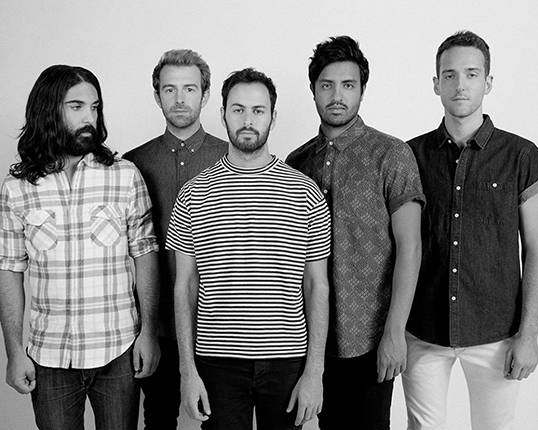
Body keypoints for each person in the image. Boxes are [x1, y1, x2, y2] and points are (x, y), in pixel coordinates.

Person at [166, 67, 331, 430]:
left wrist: (314, 372)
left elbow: (317, 285)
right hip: (216, 363)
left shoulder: (305, 192)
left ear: (273, 116)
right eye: (238, 109)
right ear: (223, 113)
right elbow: (185, 286)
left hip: (287, 361)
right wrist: (187, 371)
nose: (248, 120)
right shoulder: (193, 193)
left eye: (258, 110)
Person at [0, 65, 160, 430]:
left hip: (118, 350)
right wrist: (14, 351)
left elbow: (146, 256)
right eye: (77, 107)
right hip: (49, 356)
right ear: (48, 110)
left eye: (95, 107)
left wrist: (149, 334)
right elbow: (9, 269)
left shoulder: (125, 176)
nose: (90, 117)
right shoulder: (16, 188)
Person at [402, 30, 538, 430]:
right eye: (450, 75)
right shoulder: (409, 156)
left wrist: (529, 335)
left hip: (497, 331)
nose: (460, 85)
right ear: (436, 84)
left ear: (488, 82)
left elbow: (536, 248)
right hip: (423, 330)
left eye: (471, 74)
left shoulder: (521, 156)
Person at [286, 35, 425, 429]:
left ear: (362, 89)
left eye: (348, 85)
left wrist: (395, 332)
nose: (337, 96)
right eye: (327, 85)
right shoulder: (297, 163)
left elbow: (410, 248)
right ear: (313, 89)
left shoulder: (391, 154)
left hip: (370, 337)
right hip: (305, 339)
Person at [123, 49, 227, 429]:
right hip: (156, 328)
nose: (180, 99)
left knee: (222, 422)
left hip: (221, 329)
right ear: (157, 96)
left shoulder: (233, 158)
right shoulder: (132, 164)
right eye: (170, 89)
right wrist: (146, 330)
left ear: (205, 94)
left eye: (189, 89)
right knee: (158, 421)